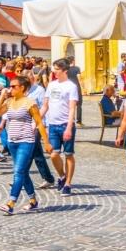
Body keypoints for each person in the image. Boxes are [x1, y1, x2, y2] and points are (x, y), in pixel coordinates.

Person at [0, 79, 47, 215]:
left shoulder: (30, 102)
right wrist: (2, 96)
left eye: (13, 86)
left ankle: (11, 203)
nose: (10, 89)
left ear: (22, 87)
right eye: (10, 86)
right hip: (12, 142)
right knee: (23, 173)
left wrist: (46, 143)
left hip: (26, 141)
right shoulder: (9, 101)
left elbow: (39, 123)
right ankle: (33, 201)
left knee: (18, 171)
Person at [42, 60, 80, 193]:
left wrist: (69, 127)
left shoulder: (71, 86)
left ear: (65, 70)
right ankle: (62, 176)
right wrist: (37, 120)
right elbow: (45, 105)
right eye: (53, 69)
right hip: (52, 125)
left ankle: (68, 184)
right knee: (53, 154)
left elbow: (72, 109)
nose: (54, 72)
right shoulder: (51, 85)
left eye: (57, 69)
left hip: (65, 124)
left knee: (68, 155)